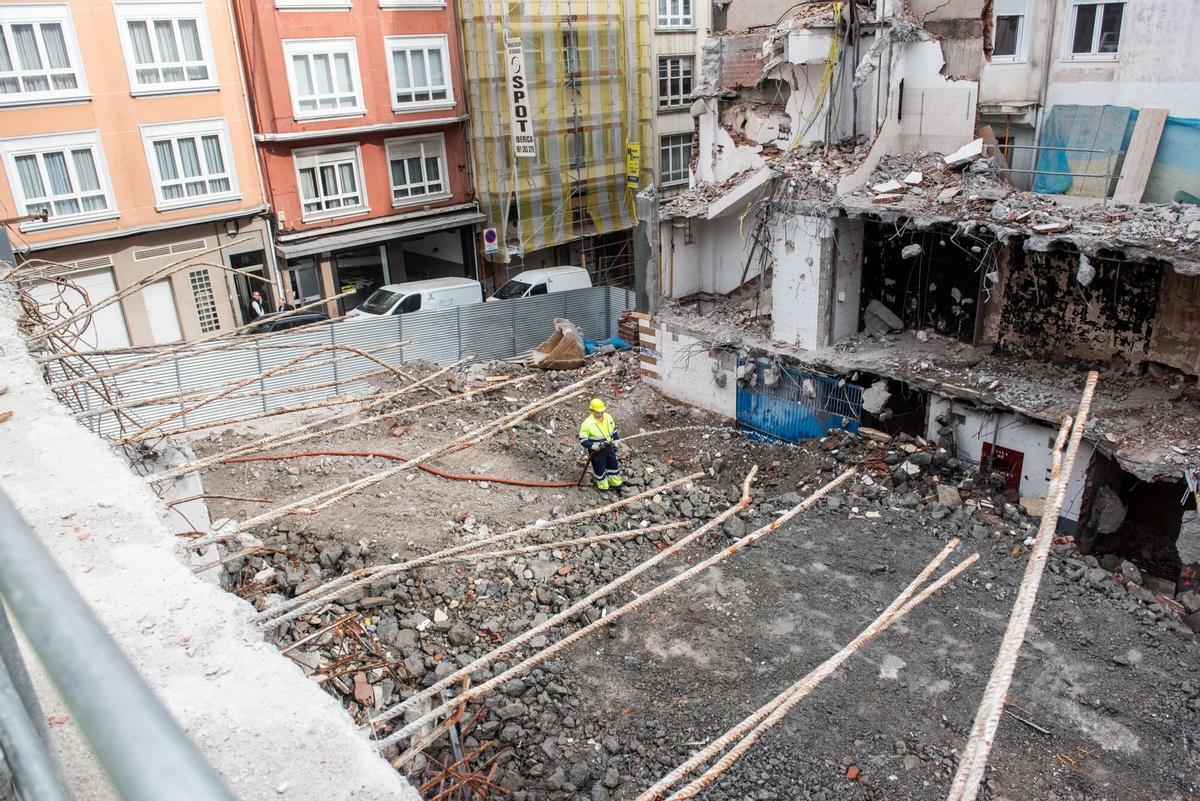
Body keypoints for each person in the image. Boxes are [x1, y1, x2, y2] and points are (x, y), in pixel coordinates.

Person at [579, 397, 623, 492]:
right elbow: (583, 440)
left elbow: (614, 430)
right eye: (598, 412)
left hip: (610, 447)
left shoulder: (608, 417)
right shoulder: (587, 424)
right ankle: (603, 488)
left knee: (613, 465)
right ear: (592, 411)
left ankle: (617, 484)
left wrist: (616, 440)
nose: (601, 414)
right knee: (599, 468)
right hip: (597, 452)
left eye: (602, 411)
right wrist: (593, 446)